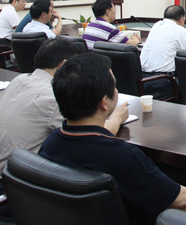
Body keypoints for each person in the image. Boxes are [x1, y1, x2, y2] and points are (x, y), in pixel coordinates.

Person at [38, 54, 186, 225]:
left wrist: (115, 119)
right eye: (114, 86)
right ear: (104, 103)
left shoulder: (51, 144)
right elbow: (182, 200)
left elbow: (93, 144)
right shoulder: (122, 155)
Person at [0, 38, 128, 172]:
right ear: (64, 65)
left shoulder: (19, 79)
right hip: (15, 176)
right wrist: (117, 117)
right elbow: (92, 138)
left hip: (13, 171)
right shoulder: (53, 96)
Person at [140, 5, 186, 95]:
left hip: (143, 80)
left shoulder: (156, 25)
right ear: (181, 19)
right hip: (163, 82)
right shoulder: (179, 29)